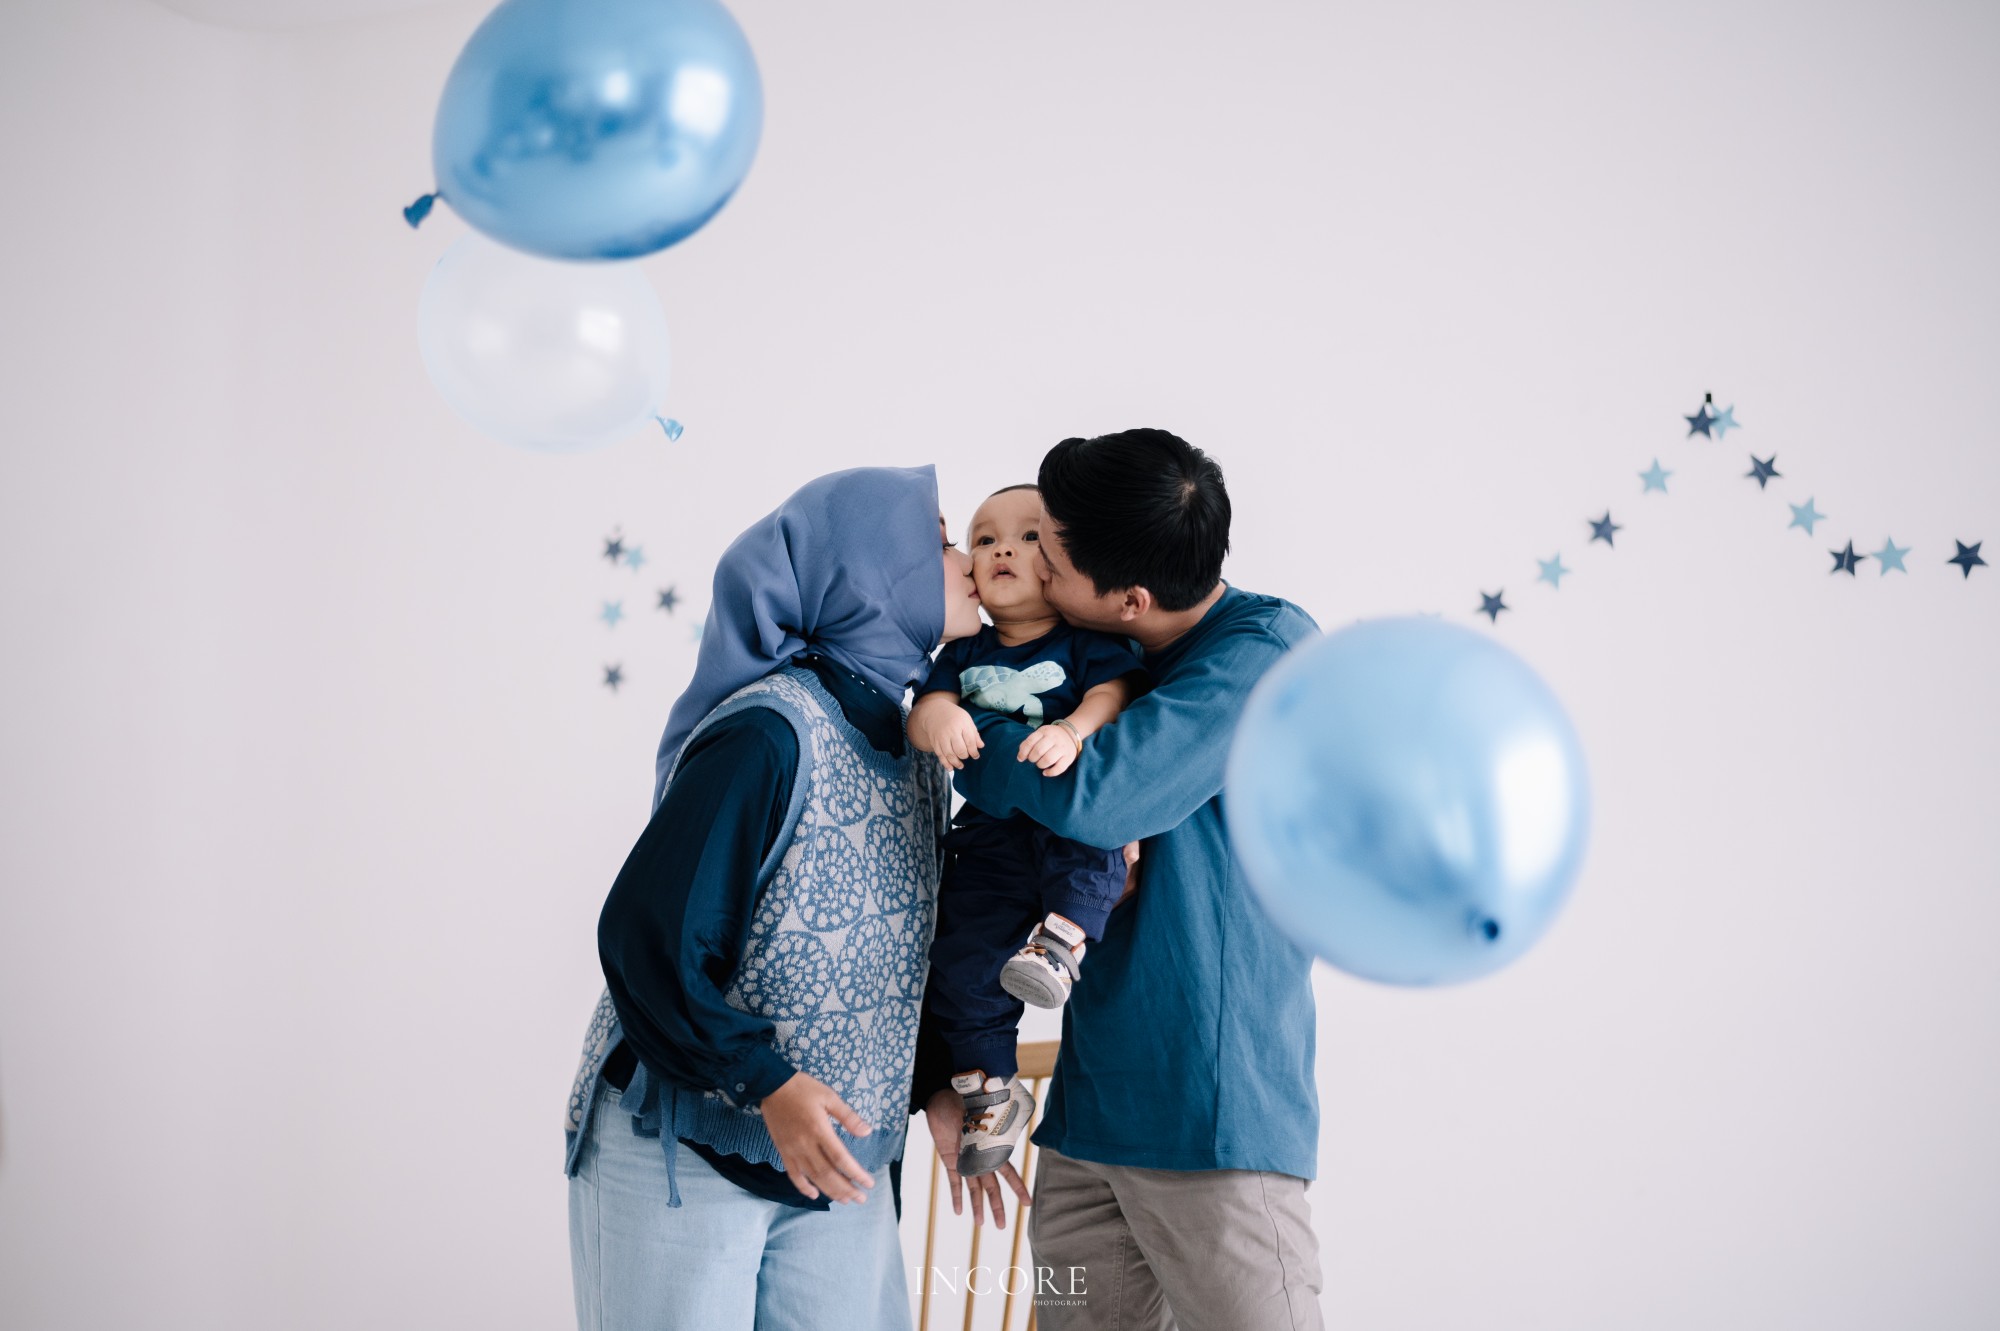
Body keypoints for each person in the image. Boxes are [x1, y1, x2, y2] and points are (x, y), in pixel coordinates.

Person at [560, 464, 1003, 1331]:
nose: (968, 562)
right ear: (875, 574)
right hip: (684, 1145)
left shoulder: (916, 746)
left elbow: (891, 954)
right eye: (942, 543)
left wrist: (934, 1085)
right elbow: (647, 938)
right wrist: (766, 1080)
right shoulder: (767, 734)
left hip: (834, 1154)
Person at [924, 430, 1327, 1330]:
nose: (1029, 562)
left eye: (1051, 555)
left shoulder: (1262, 651)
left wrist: (971, 735)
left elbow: (1098, 801)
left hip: (1211, 1119)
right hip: (1087, 1117)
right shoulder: (1100, 649)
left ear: (1129, 598)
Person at [906, 483, 1147, 1179]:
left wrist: (1073, 730)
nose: (1002, 548)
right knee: (962, 952)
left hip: (1067, 815)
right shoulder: (963, 653)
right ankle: (990, 1086)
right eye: (983, 540)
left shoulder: (1087, 642)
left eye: (1028, 536)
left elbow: (1115, 693)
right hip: (990, 834)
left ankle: (1061, 943)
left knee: (1091, 845)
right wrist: (940, 718)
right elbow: (924, 714)